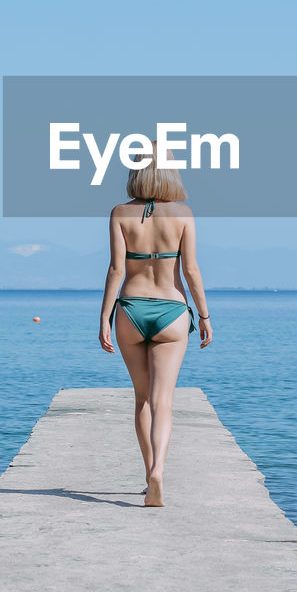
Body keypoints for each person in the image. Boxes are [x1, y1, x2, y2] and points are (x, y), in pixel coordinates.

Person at [98, 151, 212, 507]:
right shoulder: (184, 214)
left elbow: (117, 269)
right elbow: (191, 271)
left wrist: (104, 317)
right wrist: (205, 316)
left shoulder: (120, 213)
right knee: (164, 401)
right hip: (172, 310)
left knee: (142, 398)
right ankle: (159, 470)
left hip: (130, 311)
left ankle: (149, 473)